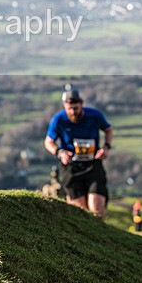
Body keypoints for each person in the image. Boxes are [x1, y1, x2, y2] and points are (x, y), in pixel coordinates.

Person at [44, 89, 113, 218]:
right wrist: (60, 152)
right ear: (64, 105)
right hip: (71, 167)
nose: (73, 112)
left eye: (75, 108)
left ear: (81, 104)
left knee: (96, 209)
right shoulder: (59, 119)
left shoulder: (95, 116)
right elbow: (48, 142)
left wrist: (106, 147)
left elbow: (108, 130)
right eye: (69, 108)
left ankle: (99, 235)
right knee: (80, 212)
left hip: (93, 164)